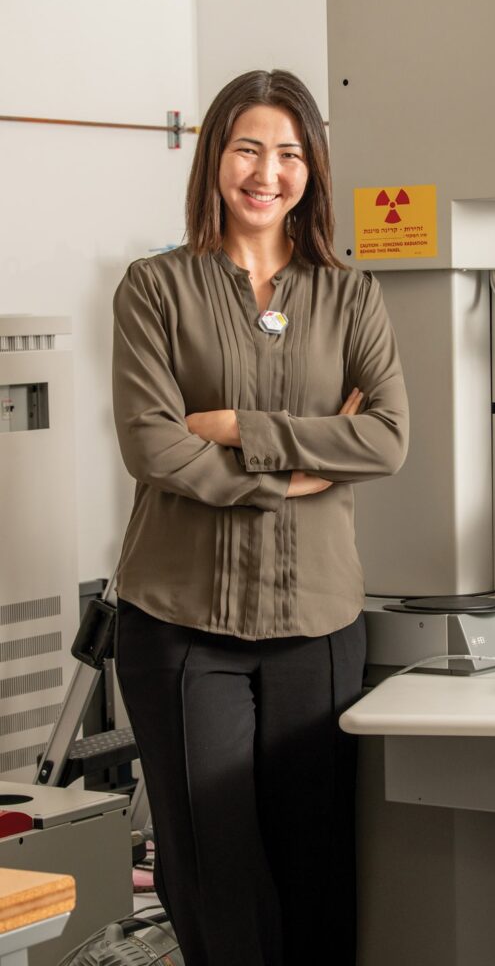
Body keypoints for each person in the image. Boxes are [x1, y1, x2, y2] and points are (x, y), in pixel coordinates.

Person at [111, 68, 408, 965]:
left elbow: (387, 439)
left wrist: (240, 430)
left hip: (316, 623)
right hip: (181, 624)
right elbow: (154, 447)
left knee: (316, 865)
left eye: (287, 153)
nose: (265, 172)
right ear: (213, 158)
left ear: (311, 170)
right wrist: (295, 473)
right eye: (247, 148)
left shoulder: (349, 293)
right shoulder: (154, 289)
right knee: (212, 869)